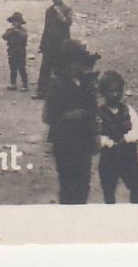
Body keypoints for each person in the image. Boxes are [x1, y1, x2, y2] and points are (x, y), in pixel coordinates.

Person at [42, 38, 100, 204]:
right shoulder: (57, 85)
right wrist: (73, 116)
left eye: (79, 63)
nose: (75, 67)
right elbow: (48, 116)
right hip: (64, 142)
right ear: (64, 64)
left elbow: (93, 110)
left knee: (83, 181)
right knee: (68, 182)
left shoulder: (86, 83)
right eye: (71, 63)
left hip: (84, 141)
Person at [95, 70, 138, 204]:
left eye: (118, 91)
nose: (115, 94)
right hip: (108, 158)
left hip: (128, 156)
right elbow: (95, 135)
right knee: (108, 189)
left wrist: (127, 139)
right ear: (104, 93)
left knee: (135, 186)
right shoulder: (99, 113)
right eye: (111, 91)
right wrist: (107, 142)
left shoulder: (128, 110)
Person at [33, 0, 74, 100]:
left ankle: (63, 94)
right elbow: (46, 28)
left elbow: (67, 23)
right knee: (45, 68)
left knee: (62, 69)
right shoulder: (49, 11)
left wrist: (59, 12)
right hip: (50, 44)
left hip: (62, 43)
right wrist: (42, 44)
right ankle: (42, 92)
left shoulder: (67, 9)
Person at [2, 12, 30, 92]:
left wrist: (17, 31)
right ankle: (13, 83)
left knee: (21, 68)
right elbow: (4, 36)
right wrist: (11, 31)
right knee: (12, 68)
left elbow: (25, 36)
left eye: (17, 21)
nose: (15, 23)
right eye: (13, 21)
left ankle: (25, 84)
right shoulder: (9, 30)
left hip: (20, 52)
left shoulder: (23, 30)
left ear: (20, 23)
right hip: (11, 52)